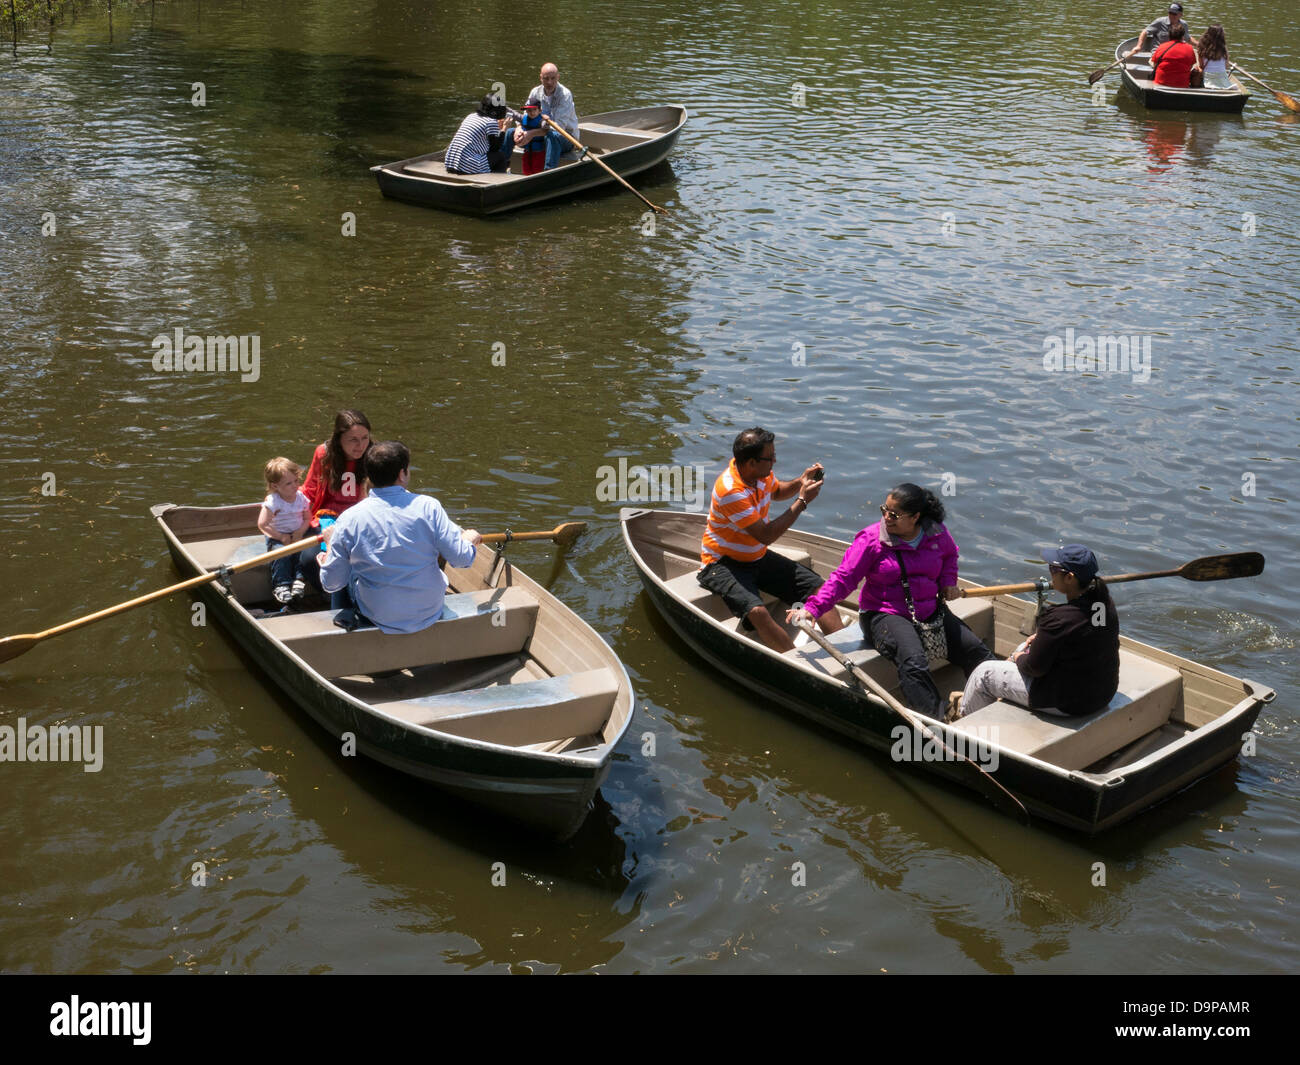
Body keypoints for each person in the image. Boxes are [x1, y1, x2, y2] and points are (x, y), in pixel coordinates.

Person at [788, 483, 993, 718]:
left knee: (977, 652)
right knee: (913, 660)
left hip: (929, 610)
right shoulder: (871, 540)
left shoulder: (936, 532)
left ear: (916, 517)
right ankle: (936, 721)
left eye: (894, 515)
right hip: (884, 614)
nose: (887, 518)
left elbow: (950, 555)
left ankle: (983, 705)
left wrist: (948, 582)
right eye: (884, 510)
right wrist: (813, 609)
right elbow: (843, 579)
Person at [697, 427, 844, 653]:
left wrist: (800, 482)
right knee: (757, 611)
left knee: (817, 588)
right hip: (721, 563)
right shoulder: (730, 491)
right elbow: (766, 535)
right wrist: (802, 502)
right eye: (770, 457)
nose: (775, 461)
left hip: (756, 557)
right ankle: (794, 665)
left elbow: (777, 492)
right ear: (751, 462)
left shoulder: (760, 475)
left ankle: (847, 653)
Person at [318, 441, 483, 634]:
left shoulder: (349, 518)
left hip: (378, 614)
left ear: (369, 476)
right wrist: (468, 541)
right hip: (429, 610)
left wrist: (330, 545)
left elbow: (331, 583)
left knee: (346, 567)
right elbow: (462, 559)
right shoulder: (429, 507)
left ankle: (341, 637)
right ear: (402, 474)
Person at [949, 545, 1120, 722]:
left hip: (1068, 703)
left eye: (1053, 569)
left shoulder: (1059, 619)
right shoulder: (1103, 605)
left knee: (983, 673)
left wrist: (1018, 657)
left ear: (1070, 577)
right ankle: (994, 698)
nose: (1050, 573)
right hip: (1100, 694)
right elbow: (1089, 633)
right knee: (1025, 645)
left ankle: (963, 725)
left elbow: (1034, 667)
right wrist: (1035, 643)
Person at [256, 457, 314, 604]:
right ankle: (281, 585)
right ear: (275, 486)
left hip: (297, 533)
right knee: (282, 555)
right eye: (289, 483)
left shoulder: (301, 497)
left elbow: (308, 518)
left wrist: (300, 532)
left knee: (304, 553)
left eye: (296, 480)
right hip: (277, 535)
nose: (295, 485)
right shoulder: (273, 501)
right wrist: (281, 537)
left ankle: (299, 580)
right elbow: (263, 524)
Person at [520, 63, 580, 170]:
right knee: (510, 132)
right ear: (540, 78)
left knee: (553, 136)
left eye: (553, 78)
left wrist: (532, 133)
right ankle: (502, 166)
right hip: (541, 134)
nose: (549, 82)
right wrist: (519, 129)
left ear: (558, 77)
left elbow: (559, 128)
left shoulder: (565, 95)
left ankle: (548, 171)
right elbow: (525, 115)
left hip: (566, 137)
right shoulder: (535, 92)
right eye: (546, 78)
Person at [445, 95, 515, 175]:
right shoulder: (491, 121)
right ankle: (498, 180)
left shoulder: (471, 116)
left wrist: (497, 129)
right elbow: (495, 148)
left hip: (450, 164)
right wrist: (504, 128)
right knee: (500, 156)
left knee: (491, 155)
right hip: (465, 166)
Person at [1151, 23, 1197, 88]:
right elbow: (1190, 66)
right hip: (1182, 84)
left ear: (1169, 35)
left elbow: (1155, 65)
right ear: (1182, 36)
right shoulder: (1189, 48)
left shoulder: (1162, 46)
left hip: (1161, 82)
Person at [1196, 23, 1233, 88]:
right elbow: (1226, 66)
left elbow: (1201, 65)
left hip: (1207, 77)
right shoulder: (1224, 47)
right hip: (1222, 76)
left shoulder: (1202, 46)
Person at [516, 99, 547, 175]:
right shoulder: (524, 118)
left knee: (537, 171)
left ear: (540, 110)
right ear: (526, 111)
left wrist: (547, 123)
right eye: (529, 110)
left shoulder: (542, 121)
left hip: (539, 152)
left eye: (534, 110)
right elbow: (514, 114)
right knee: (526, 170)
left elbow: (546, 128)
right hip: (527, 151)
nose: (532, 112)